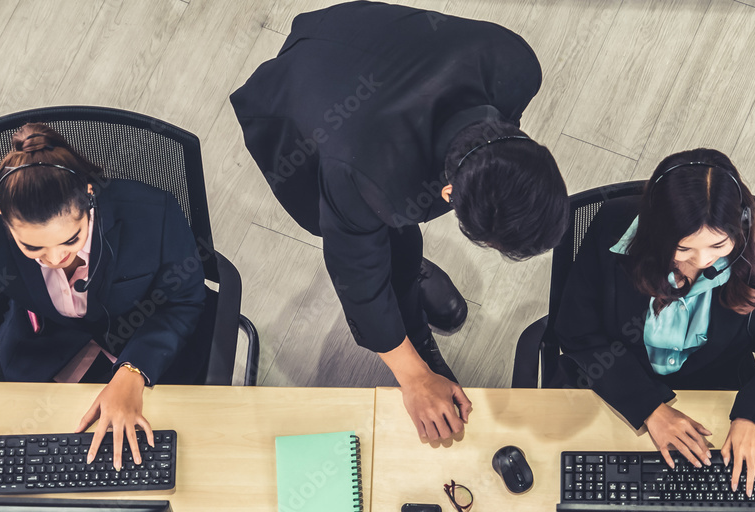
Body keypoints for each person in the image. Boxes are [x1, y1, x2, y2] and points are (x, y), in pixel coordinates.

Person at [231, 1, 569, 441]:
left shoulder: (515, 65)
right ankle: (411, 322)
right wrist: (414, 376)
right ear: (448, 195)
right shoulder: (362, 175)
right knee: (371, 233)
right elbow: (358, 281)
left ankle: (411, 275)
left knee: (391, 221)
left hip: (378, 48)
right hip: (311, 82)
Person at [0, 123, 205, 471]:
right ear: (1, 213)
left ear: (89, 197)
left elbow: (182, 300)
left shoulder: (153, 213)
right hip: (43, 350)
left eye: (71, 240)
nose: (57, 260)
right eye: (32, 247)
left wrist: (133, 372)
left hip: (146, 348)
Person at [554, 148, 755, 495]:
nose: (702, 262)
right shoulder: (612, 225)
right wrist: (649, 407)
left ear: (741, 226)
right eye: (683, 249)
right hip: (616, 383)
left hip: (720, 389)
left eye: (718, 244)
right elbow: (576, 330)